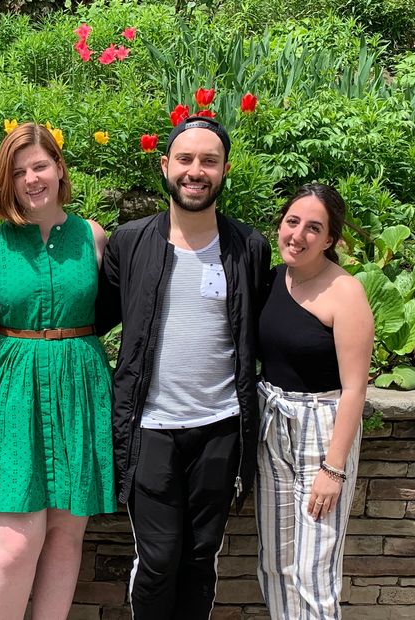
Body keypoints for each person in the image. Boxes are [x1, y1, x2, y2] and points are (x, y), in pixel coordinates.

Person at [95, 116, 272, 620]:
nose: (197, 171)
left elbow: (268, 325)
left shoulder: (248, 247)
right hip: (150, 428)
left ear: (225, 171)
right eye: (187, 159)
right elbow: (93, 320)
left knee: (200, 558)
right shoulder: (129, 243)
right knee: (157, 558)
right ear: (166, 165)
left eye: (209, 161)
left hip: (220, 427)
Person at [0, 122, 116, 619]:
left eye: (40, 166)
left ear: (58, 169)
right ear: (4, 182)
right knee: (15, 541)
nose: (31, 179)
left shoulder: (93, 236)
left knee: (65, 535)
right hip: (12, 393)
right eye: (18, 172)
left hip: (79, 387)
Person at [255, 184, 373, 619]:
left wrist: (333, 468)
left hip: (321, 430)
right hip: (272, 424)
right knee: (276, 563)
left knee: (313, 570)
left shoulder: (345, 293)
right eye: (292, 222)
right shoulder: (272, 279)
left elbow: (355, 388)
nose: (298, 234)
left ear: (329, 240)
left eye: (313, 228)